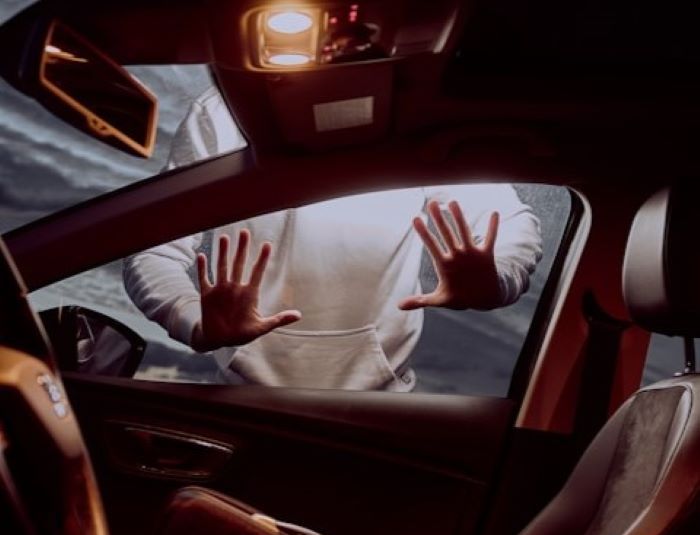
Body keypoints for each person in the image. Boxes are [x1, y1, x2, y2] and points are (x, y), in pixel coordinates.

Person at [124, 87, 542, 391]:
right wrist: (194, 320)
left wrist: (495, 281)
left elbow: (511, 221)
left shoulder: (415, 112)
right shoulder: (224, 112)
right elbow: (151, 246)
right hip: (243, 397)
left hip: (381, 406)